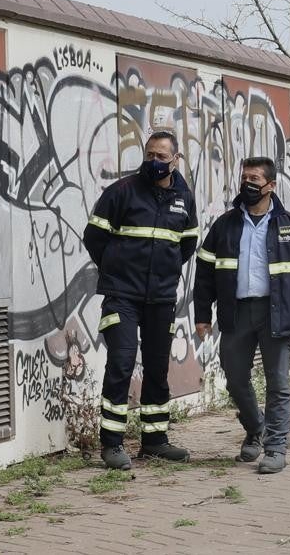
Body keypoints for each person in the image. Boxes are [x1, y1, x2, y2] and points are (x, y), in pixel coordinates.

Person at [193, 157, 290, 474]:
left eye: (255, 178)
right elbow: (205, 274)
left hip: (275, 313)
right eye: (245, 178)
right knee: (235, 380)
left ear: (271, 185)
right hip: (236, 313)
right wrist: (201, 315)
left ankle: (276, 448)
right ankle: (256, 427)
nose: (248, 184)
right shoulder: (225, 224)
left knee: (278, 383)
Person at [84, 130, 199, 470]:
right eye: (149, 154)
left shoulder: (184, 197)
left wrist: (162, 271)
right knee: (120, 362)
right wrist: (118, 269)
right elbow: (95, 237)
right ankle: (112, 444)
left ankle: (155, 441)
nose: (154, 161)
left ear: (175, 160)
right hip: (122, 295)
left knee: (158, 367)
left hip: (161, 298)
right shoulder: (121, 191)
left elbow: (187, 243)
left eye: (161, 157)